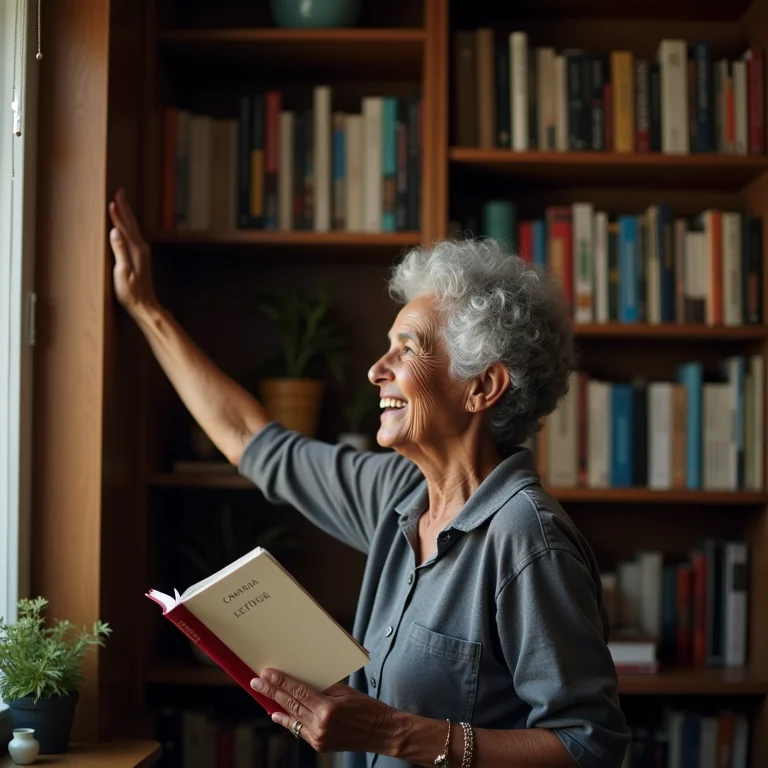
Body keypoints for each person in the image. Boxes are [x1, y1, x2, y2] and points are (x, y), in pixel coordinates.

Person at [108, 188, 630, 768]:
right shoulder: (397, 493)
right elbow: (252, 441)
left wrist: (393, 733)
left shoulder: (528, 540)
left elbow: (590, 746)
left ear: (482, 386)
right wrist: (146, 308)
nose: (375, 370)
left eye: (405, 350)